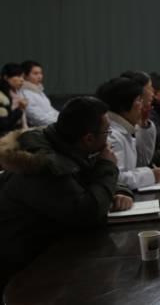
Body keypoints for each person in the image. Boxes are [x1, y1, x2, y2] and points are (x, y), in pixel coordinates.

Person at [0, 97, 133, 292]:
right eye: (107, 132)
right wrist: (107, 166)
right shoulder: (41, 165)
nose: (108, 138)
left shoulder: (67, 146)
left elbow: (88, 178)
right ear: (88, 138)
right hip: (25, 271)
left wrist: (119, 191)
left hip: (53, 252)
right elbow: (87, 213)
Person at [96, 77, 160, 190]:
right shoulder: (112, 135)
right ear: (123, 105)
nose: (142, 106)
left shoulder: (123, 129)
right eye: (138, 100)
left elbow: (142, 161)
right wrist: (150, 175)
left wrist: (144, 124)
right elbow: (115, 178)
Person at [121, 71, 160, 166]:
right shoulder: (129, 119)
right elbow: (141, 159)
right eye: (150, 88)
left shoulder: (147, 112)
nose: (153, 93)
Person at [19, 60, 60, 127]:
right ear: (25, 76)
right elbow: (36, 118)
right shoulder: (24, 93)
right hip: (43, 128)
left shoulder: (38, 90)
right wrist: (60, 122)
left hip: (53, 123)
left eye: (41, 73)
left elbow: (51, 110)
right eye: (35, 73)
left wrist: (64, 117)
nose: (40, 76)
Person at [0, 63, 28, 137]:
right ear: (6, 77)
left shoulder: (17, 92)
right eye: (18, 76)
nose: (22, 80)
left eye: (23, 77)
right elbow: (4, 125)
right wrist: (20, 109)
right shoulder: (2, 97)